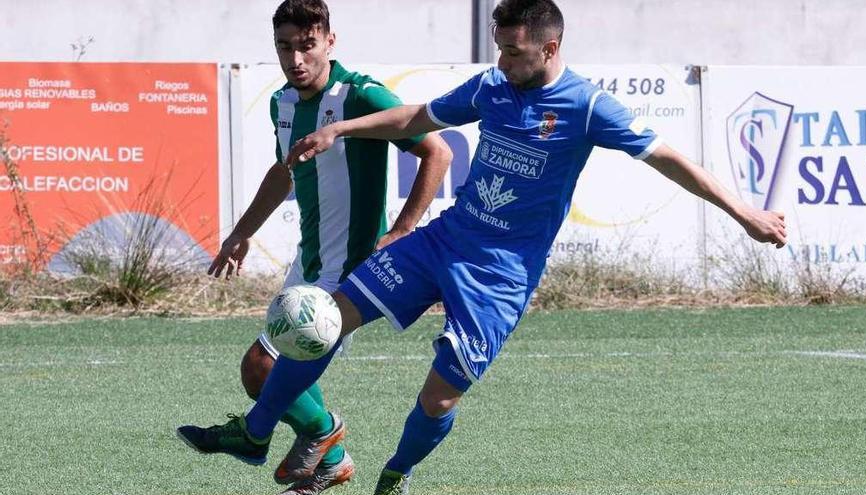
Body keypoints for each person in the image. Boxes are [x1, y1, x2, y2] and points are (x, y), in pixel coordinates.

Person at [182, 1, 788, 494]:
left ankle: (396, 474)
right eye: (499, 48)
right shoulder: (494, 85)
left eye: (514, 51)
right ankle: (257, 434)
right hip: (444, 241)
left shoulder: (587, 107)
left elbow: (668, 159)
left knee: (438, 397)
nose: (502, 59)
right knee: (328, 318)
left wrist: (745, 214)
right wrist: (341, 128)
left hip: (501, 277)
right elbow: (419, 118)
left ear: (550, 49)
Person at [175, 1, 452, 494]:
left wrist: (405, 229)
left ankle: (286, 437)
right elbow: (284, 171)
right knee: (261, 374)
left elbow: (438, 149)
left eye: (307, 45)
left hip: (349, 272)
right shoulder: (283, 102)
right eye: (285, 47)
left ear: (329, 41)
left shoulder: (360, 95)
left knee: (264, 365)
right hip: (311, 260)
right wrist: (243, 231)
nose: (296, 58)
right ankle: (333, 458)